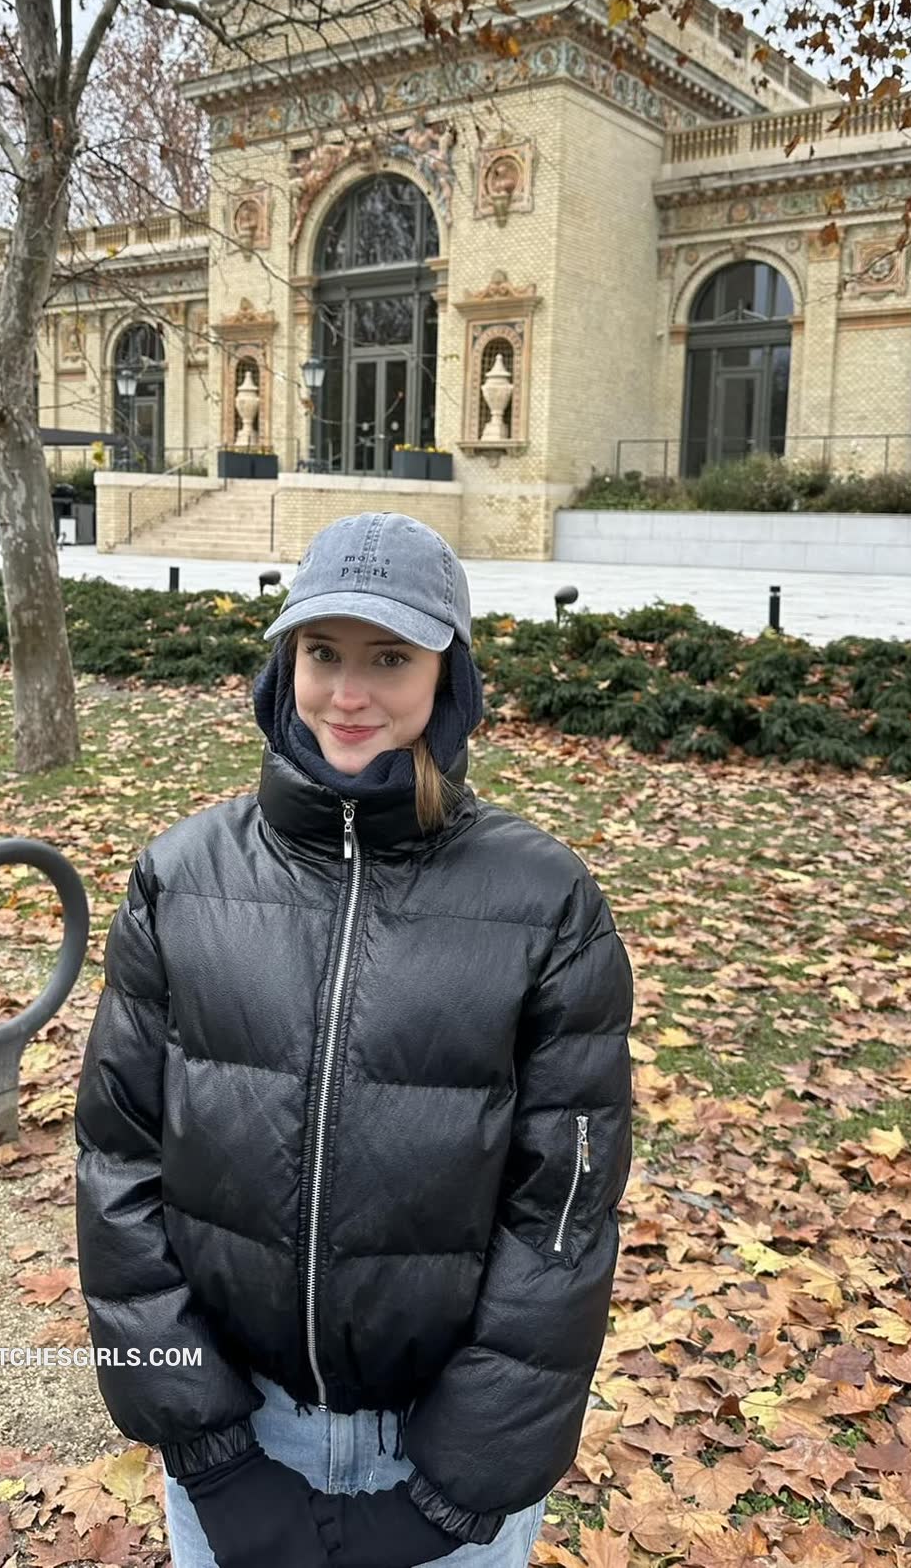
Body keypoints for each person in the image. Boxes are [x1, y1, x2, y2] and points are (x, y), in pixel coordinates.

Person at [74, 511, 633, 1568]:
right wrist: (211, 1453)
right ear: (284, 663)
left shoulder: (546, 902)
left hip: (440, 1449)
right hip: (240, 1430)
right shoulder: (180, 878)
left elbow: (562, 1213)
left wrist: (452, 1493)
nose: (347, 693)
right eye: (322, 652)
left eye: (390, 658)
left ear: (448, 675)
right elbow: (118, 1164)